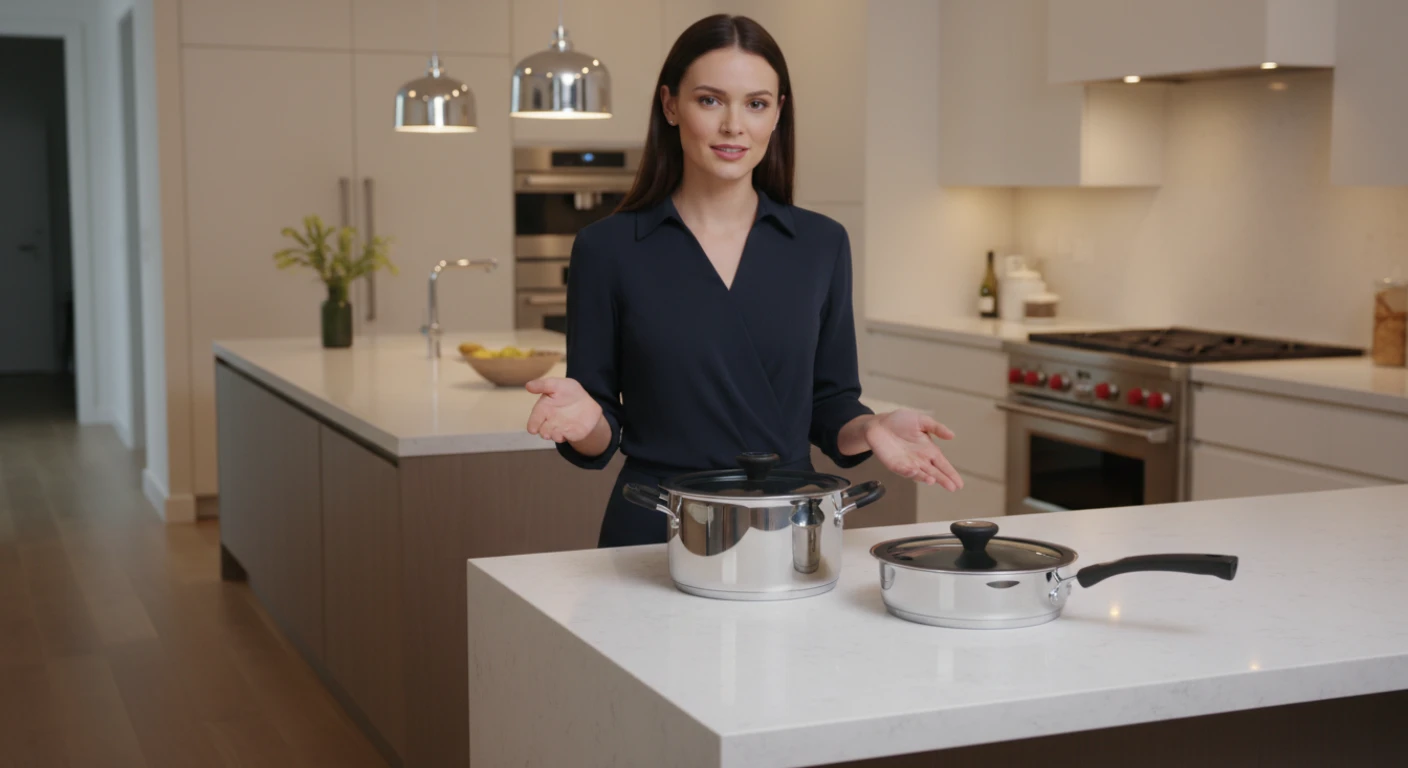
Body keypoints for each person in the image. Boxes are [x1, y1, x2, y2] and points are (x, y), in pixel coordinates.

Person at [525, 13, 963, 548]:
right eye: (710, 100)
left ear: (777, 114)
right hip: (656, 527)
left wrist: (871, 426)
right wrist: (583, 418)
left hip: (786, 528)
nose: (734, 125)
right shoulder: (607, 248)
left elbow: (831, 405)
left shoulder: (821, 244)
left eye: (756, 103)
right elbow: (599, 432)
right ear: (670, 105)